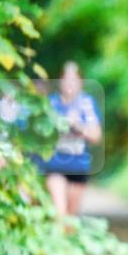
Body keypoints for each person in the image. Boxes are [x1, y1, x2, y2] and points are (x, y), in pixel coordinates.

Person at [42, 62, 102, 218]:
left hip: (78, 166)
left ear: (81, 82)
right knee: (60, 212)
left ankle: (65, 239)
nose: (69, 83)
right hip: (55, 164)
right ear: (60, 81)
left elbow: (96, 136)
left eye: (74, 79)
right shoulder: (51, 103)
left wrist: (78, 126)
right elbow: (41, 135)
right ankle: (57, 239)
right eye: (66, 79)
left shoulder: (87, 104)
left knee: (71, 217)